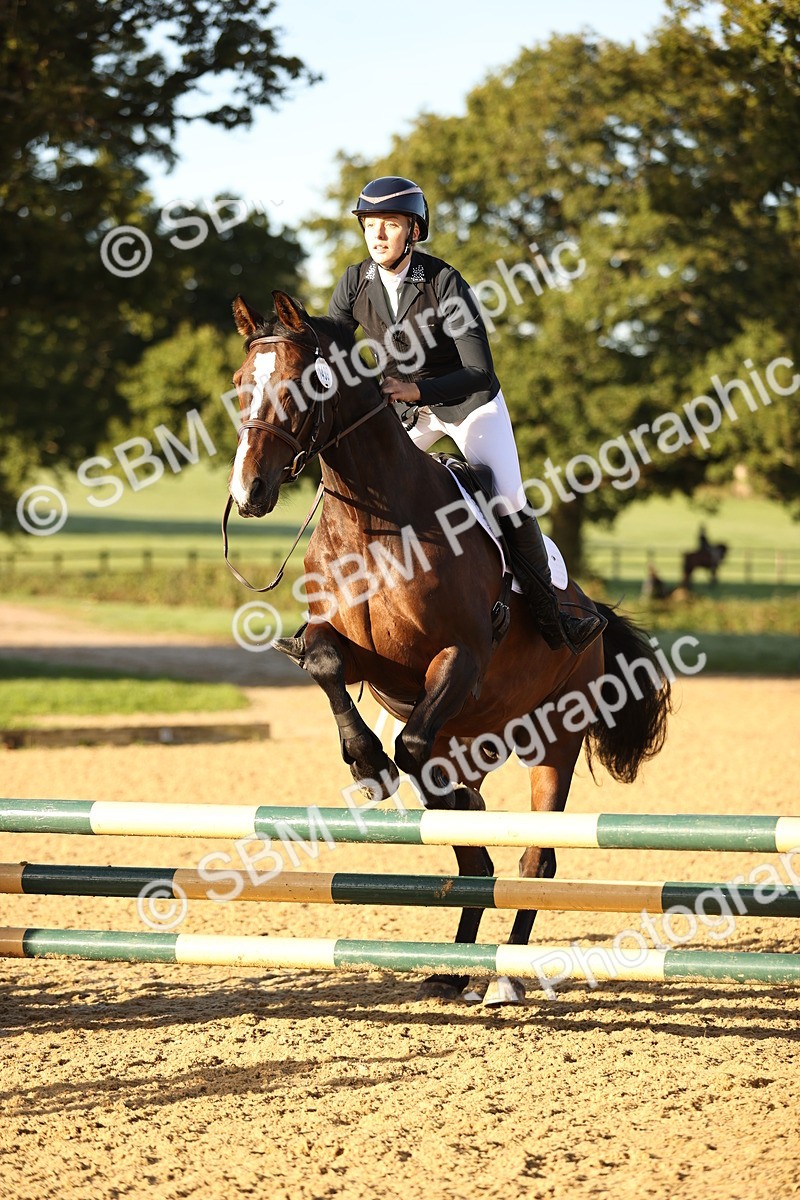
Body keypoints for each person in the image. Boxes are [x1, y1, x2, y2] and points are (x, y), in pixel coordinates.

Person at [328, 175, 604, 655]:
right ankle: (328, 612)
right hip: (407, 412)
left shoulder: (444, 282)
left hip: (466, 404)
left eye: (389, 224)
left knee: (508, 497)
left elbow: (479, 371)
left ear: (414, 231)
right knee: (354, 484)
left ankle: (553, 616)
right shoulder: (356, 282)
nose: (377, 235)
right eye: (370, 225)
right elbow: (331, 343)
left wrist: (418, 389)